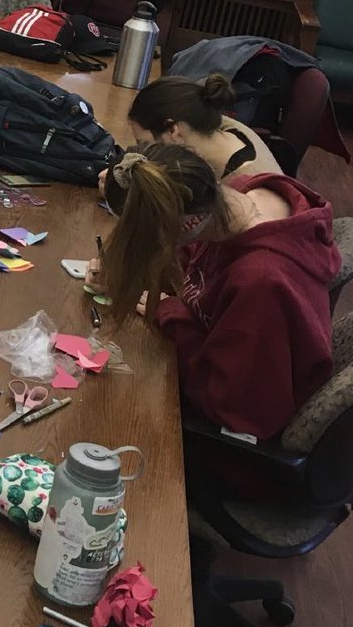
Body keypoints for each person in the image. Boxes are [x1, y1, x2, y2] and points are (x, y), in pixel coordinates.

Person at [92, 143, 338, 441]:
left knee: (108, 414)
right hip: (228, 368)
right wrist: (128, 275)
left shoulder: (261, 281)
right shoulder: (228, 199)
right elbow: (192, 261)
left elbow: (235, 407)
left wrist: (170, 314)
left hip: (228, 445)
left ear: (188, 225)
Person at [127, 73, 283, 179]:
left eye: (145, 145)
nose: (145, 156)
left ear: (173, 130)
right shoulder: (215, 123)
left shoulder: (241, 192)